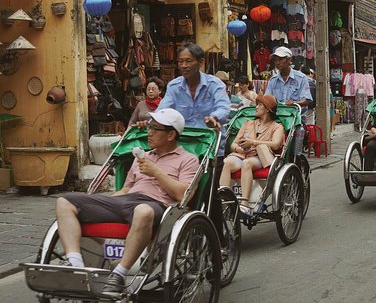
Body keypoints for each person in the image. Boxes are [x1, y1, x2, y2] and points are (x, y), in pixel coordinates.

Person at [55, 109, 199, 297]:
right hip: (126, 201)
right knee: (65, 201)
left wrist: (155, 172)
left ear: (171, 134)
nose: (149, 132)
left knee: (143, 211)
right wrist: (102, 202)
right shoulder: (142, 157)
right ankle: (75, 265)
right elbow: (125, 189)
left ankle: (119, 274)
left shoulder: (188, 160)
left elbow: (183, 195)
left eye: (155, 129)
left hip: (157, 205)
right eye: (149, 127)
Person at [219, 94, 284, 215]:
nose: (256, 107)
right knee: (226, 162)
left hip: (259, 157)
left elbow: (275, 144)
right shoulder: (248, 123)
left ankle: (244, 203)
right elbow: (233, 144)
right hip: (242, 155)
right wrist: (239, 149)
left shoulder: (277, 127)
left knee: (246, 163)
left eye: (259, 105)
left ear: (267, 109)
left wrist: (253, 142)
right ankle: (224, 201)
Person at [155, 43, 231, 130]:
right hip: (184, 138)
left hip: (210, 138)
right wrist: (150, 121)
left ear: (201, 62)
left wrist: (214, 117)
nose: (184, 65)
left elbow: (223, 107)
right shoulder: (174, 86)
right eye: (180, 62)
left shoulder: (215, 84)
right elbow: (162, 110)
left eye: (188, 61)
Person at [265, 46, 312, 110]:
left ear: (289, 59)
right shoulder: (273, 80)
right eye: (275, 60)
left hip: (296, 116)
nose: (278, 62)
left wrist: (295, 103)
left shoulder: (301, 78)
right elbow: (267, 98)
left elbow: (307, 99)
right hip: (278, 116)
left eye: (281, 59)